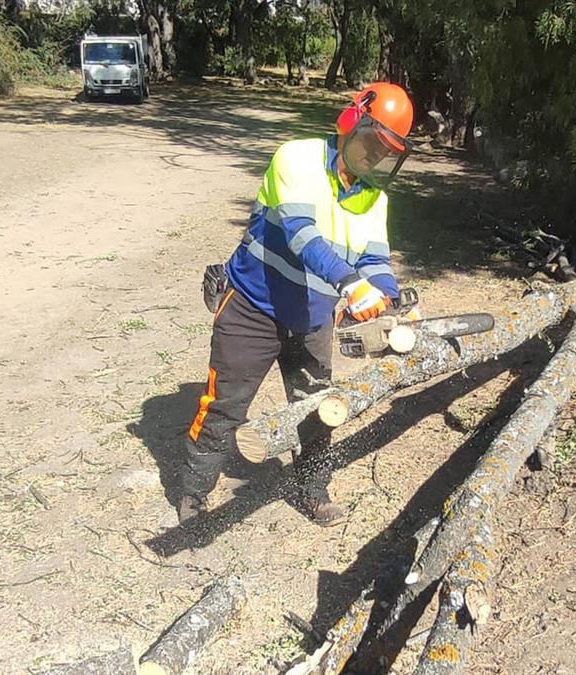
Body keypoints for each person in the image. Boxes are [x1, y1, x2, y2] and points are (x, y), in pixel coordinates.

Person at [177, 82, 415, 526]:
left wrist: (387, 294)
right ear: (350, 123)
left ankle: (312, 489)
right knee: (224, 406)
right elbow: (302, 235)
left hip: (312, 318)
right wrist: (349, 284)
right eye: (371, 143)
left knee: (317, 408)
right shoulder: (297, 157)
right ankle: (194, 491)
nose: (373, 157)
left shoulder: (374, 197)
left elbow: (373, 259)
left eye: (386, 152)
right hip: (253, 306)